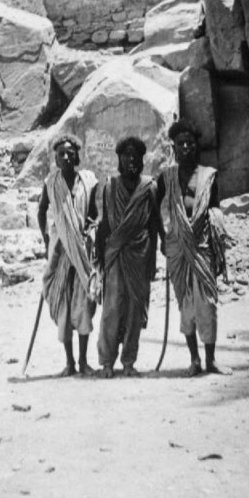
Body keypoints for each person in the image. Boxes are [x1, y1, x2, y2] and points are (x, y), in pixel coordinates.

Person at [157, 119, 230, 377]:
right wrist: (162, 237)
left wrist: (216, 230)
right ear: (174, 148)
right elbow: (156, 208)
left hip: (202, 247)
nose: (186, 147)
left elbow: (217, 208)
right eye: (181, 144)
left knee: (207, 304)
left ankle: (210, 361)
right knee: (186, 306)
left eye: (190, 143)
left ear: (196, 146)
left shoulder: (209, 176)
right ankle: (194, 360)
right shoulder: (167, 177)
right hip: (178, 248)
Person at [96, 136, 162, 378]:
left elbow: (154, 224)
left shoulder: (150, 187)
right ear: (119, 160)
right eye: (126, 156)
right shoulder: (110, 187)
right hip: (114, 254)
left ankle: (129, 362)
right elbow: (104, 224)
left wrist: (154, 257)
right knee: (112, 309)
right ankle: (106, 362)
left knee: (135, 308)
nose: (131, 160)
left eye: (136, 156)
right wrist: (101, 258)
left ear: (142, 160)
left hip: (141, 254)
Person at [37, 134, 99, 377]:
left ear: (77, 156)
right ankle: (70, 363)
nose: (65, 156)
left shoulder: (88, 181)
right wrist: (46, 241)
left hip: (83, 252)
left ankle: (84, 362)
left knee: (82, 305)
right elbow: (41, 210)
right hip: (61, 253)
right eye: (61, 153)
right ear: (55, 158)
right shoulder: (51, 183)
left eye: (69, 153)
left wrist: (91, 232)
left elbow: (94, 213)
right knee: (63, 306)